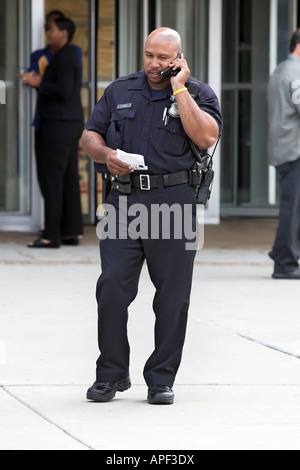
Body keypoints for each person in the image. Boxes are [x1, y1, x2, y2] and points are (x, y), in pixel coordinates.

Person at [82, 27, 222, 404]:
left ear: (178, 58)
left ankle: (161, 379)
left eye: (163, 58)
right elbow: (90, 135)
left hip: (175, 202)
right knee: (111, 288)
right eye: (149, 55)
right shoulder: (120, 90)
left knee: (173, 297)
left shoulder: (198, 94)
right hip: (122, 201)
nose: (154, 64)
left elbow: (207, 137)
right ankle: (110, 375)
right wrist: (104, 155)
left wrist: (179, 89)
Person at [19, 11, 83, 245]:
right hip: (67, 123)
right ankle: (69, 232)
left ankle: (50, 235)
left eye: (51, 29)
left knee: (51, 179)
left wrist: (39, 83)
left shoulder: (66, 56)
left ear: (63, 33)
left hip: (59, 125)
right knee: (66, 178)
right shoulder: (65, 55)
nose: (47, 32)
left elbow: (64, 91)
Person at [268, 29, 300, 279]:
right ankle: (286, 264)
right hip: (294, 151)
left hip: (283, 149)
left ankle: (281, 253)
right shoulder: (296, 72)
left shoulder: (280, 69)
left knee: (292, 206)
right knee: (293, 209)